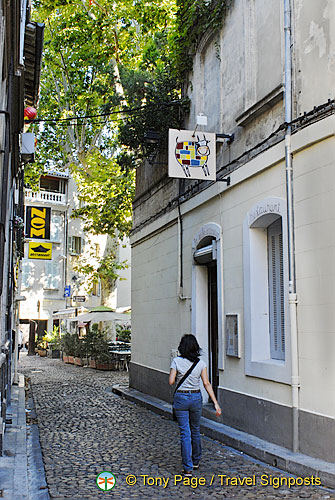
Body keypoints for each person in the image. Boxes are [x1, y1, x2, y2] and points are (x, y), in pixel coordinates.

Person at [169, 334, 222, 476]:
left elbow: (171, 381)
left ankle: (187, 467)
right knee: (195, 430)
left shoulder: (176, 361)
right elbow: (206, 384)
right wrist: (215, 403)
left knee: (184, 433)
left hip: (181, 397)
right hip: (196, 397)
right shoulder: (201, 364)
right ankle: (196, 460)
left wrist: (176, 372)